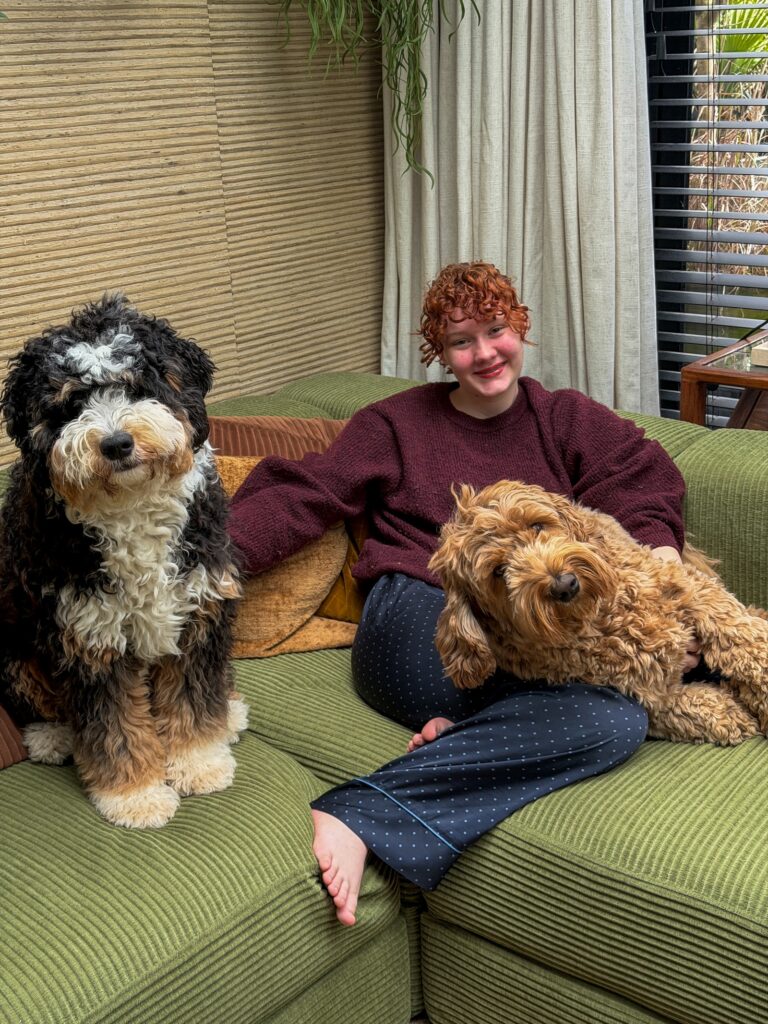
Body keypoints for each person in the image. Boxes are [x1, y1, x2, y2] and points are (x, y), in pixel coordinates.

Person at [228, 261, 698, 927]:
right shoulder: (394, 424)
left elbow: (641, 476)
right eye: (461, 341)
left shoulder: (563, 418)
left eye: (496, 331)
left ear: (520, 326)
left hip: (539, 634)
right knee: (611, 706)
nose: (484, 354)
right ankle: (356, 813)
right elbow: (307, 492)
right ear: (438, 353)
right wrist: (211, 555)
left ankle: (472, 732)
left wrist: (659, 559)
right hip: (422, 620)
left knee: (616, 720)